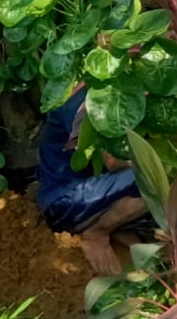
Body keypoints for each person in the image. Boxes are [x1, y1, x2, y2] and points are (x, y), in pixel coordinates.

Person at [36, 90, 149, 274]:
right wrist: (165, 160)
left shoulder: (117, 88)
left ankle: (118, 227)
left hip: (97, 188)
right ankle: (96, 233)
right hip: (64, 200)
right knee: (158, 178)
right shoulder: (78, 99)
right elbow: (112, 160)